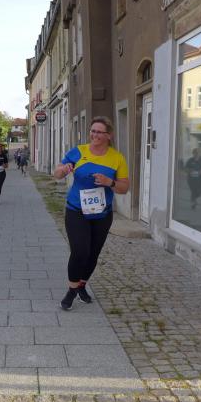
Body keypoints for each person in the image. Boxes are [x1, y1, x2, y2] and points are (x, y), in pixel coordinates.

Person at [53, 116, 129, 310]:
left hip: (102, 214)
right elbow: (57, 173)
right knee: (80, 251)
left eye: (99, 132)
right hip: (76, 210)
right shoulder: (79, 152)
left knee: (93, 254)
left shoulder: (117, 158)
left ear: (109, 135)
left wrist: (110, 182)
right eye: (92, 131)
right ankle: (71, 291)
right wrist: (64, 169)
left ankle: (82, 285)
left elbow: (124, 188)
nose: (94, 135)